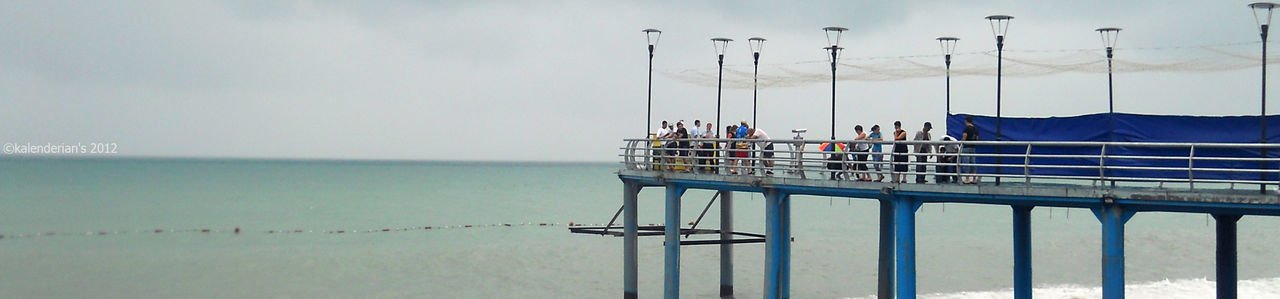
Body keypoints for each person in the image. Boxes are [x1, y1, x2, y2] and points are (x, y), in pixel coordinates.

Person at [961, 116, 981, 184]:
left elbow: (964, 138)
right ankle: (974, 179)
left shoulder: (966, 128)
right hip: (973, 147)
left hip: (966, 147)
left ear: (966, 121)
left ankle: (967, 179)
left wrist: (961, 143)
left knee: (966, 162)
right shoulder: (976, 129)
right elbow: (977, 138)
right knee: (973, 162)